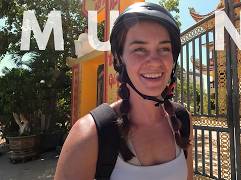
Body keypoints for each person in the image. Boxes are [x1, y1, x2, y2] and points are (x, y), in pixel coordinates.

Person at [54, 2, 193, 180]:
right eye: (139, 49)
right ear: (119, 59)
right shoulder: (89, 135)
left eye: (164, 49)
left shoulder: (182, 120)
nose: (155, 61)